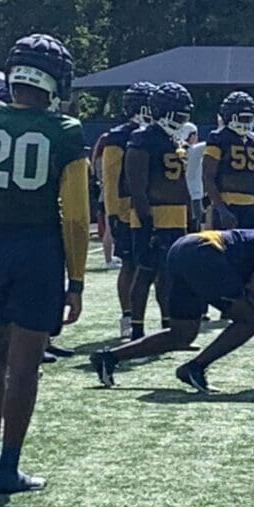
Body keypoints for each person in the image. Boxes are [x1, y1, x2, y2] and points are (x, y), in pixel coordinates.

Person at [0, 34, 90, 494]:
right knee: (24, 367)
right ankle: (8, 466)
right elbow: (78, 215)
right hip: (39, 252)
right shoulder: (64, 130)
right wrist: (77, 279)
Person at [89, 216, 254, 393]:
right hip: (203, 253)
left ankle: (109, 358)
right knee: (251, 319)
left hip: (184, 248)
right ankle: (195, 367)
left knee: (182, 335)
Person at [124, 83, 195, 338]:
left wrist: (191, 215)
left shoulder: (172, 139)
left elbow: (181, 183)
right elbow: (137, 185)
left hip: (175, 217)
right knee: (145, 272)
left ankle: (168, 329)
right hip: (152, 215)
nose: (183, 121)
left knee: (169, 275)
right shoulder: (142, 138)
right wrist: (147, 221)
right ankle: (137, 331)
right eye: (179, 116)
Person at [94, 82, 156, 331]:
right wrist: (113, 213)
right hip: (126, 207)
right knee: (130, 263)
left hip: (151, 207)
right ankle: (128, 317)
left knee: (154, 265)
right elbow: (110, 179)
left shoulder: (157, 134)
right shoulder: (117, 137)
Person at [202, 91, 254, 229]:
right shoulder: (219, 138)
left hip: (249, 204)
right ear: (230, 117)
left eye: (249, 119)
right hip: (227, 202)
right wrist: (220, 208)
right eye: (243, 118)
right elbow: (208, 176)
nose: (247, 123)